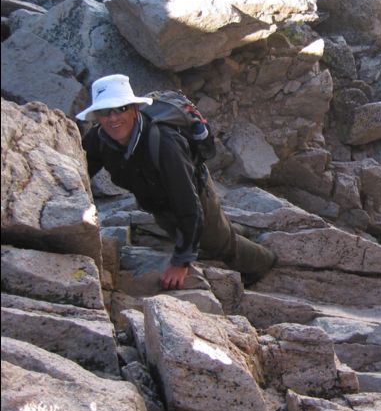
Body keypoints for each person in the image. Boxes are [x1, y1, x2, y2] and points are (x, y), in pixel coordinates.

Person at [77, 74, 275, 290]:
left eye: (121, 109)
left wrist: (181, 263)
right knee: (184, 233)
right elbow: (81, 172)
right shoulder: (99, 139)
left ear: (134, 110)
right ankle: (226, 228)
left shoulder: (164, 144)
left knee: (218, 244)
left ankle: (264, 262)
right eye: (105, 112)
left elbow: (189, 207)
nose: (113, 118)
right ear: (97, 116)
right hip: (157, 199)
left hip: (192, 190)